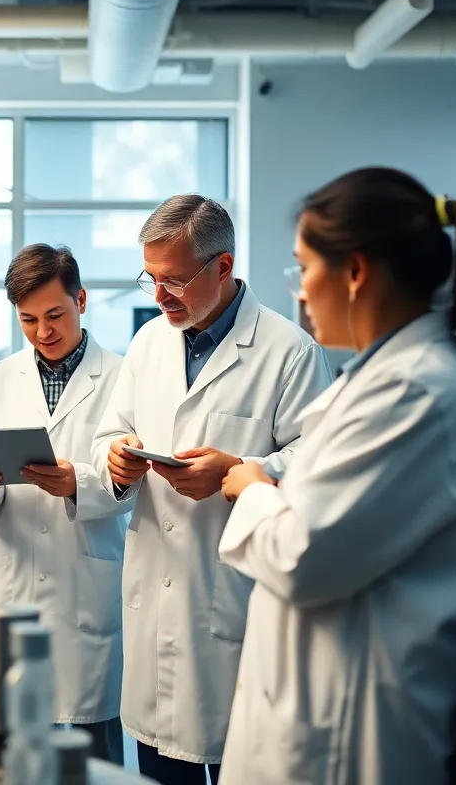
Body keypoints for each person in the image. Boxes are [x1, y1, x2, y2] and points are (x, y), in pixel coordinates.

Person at [218, 167, 456, 784]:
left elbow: (302, 557)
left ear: (354, 272)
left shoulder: (413, 393)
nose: (300, 291)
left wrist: (253, 488)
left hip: (349, 733)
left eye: (304, 268)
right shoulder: (384, 380)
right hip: (330, 698)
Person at [90, 195, 332, 784]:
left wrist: (237, 471)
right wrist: (115, 459)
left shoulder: (289, 351)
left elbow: (318, 462)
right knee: (157, 765)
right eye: (150, 278)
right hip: (155, 593)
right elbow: (111, 431)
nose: (159, 296)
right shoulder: (149, 342)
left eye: (173, 280)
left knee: (238, 763)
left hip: (232, 598)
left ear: (222, 267)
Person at [0, 244, 131, 763]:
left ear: (81, 300)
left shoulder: (123, 377)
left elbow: (136, 482)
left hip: (87, 583)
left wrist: (78, 483)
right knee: (7, 750)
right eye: (28, 319)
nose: (42, 331)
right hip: (13, 581)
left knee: (92, 753)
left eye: (54, 315)